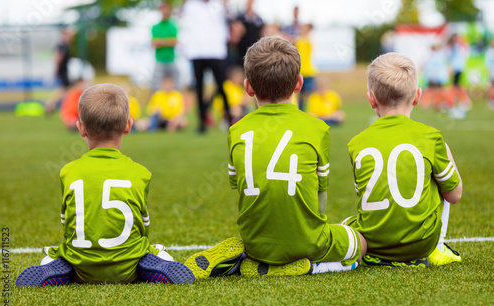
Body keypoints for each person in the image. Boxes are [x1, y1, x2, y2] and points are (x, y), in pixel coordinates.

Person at [184, 37, 366, 279]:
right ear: (299, 83)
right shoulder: (318, 128)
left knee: (264, 234)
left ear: (248, 87)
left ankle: (253, 259)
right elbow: (320, 200)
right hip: (308, 241)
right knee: (361, 242)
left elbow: (242, 188)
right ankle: (316, 265)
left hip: (256, 243)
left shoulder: (236, 130)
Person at [16, 84, 194, 287]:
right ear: (128, 126)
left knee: (52, 255)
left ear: (81, 128)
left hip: (81, 269)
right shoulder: (141, 173)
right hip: (128, 270)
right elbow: (143, 226)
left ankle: (62, 267)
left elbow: (67, 224)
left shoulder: (68, 172)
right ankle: (145, 266)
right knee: (157, 251)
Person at [344, 53, 462, 268]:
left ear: (371, 99)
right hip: (421, 244)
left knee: (345, 226)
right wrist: (445, 151)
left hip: (372, 243)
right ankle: (439, 246)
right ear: (417, 96)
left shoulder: (356, 143)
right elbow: (454, 196)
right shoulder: (431, 137)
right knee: (438, 162)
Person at [180, 0, 232, 132]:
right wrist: (187, 50)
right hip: (197, 52)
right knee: (199, 89)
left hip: (216, 52)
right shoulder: (190, 5)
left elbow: (227, 23)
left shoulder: (219, 5)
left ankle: (229, 118)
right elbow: (185, 26)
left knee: (222, 86)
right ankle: (202, 123)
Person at [151, 2, 179, 91]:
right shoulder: (155, 27)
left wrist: (161, 41)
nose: (164, 11)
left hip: (171, 59)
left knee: (176, 84)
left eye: (165, 9)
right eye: (162, 9)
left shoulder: (173, 26)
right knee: (156, 85)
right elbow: (154, 43)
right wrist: (168, 41)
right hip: (159, 60)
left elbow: (174, 42)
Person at [45, 29, 74, 113]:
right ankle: (50, 104)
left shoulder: (63, 46)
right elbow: (58, 58)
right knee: (63, 90)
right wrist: (57, 70)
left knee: (64, 89)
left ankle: (51, 105)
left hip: (64, 70)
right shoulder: (62, 46)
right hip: (62, 71)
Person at [295, 23, 316, 110]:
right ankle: (300, 110)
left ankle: (307, 110)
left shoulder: (309, 39)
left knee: (307, 93)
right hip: (299, 71)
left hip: (309, 72)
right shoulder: (298, 40)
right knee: (299, 94)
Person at [484, 40, 494, 108]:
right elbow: (488, 64)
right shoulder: (489, 52)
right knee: (492, 87)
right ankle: (491, 100)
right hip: (492, 72)